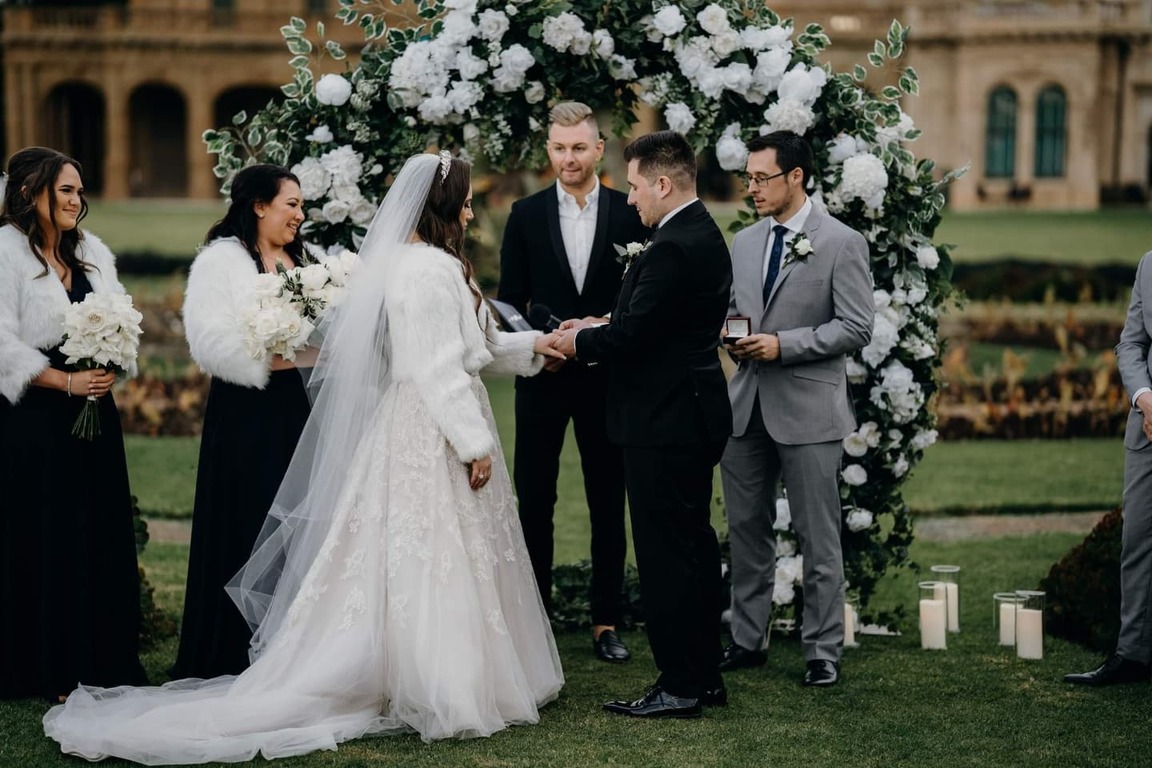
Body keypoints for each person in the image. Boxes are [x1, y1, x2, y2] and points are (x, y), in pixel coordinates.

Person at [43, 152, 566, 763]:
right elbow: (433, 367)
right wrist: (473, 442)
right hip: (428, 428)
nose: (474, 209)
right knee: (430, 551)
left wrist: (540, 345)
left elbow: (474, 344)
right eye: (468, 199)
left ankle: (435, 670)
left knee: (427, 553)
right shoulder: (424, 269)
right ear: (443, 207)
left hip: (422, 418)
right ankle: (434, 682)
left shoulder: (424, 264)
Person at [553, 131, 732, 718]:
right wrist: (598, 318)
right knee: (693, 547)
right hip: (689, 411)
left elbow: (632, 339)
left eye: (632, 186)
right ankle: (702, 675)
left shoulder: (673, 246)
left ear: (662, 182)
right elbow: (655, 319)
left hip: (664, 420)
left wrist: (575, 339)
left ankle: (680, 682)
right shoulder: (696, 231)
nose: (628, 199)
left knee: (666, 557)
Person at [718, 131, 873, 688]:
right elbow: (738, 311)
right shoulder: (745, 242)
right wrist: (731, 335)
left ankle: (822, 651)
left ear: (796, 177)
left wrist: (785, 345)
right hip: (745, 409)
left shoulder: (841, 242)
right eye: (749, 178)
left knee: (818, 534)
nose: (752, 187)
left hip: (809, 409)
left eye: (762, 178)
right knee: (745, 531)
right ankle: (746, 639)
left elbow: (857, 326)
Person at [498, 101, 649, 662]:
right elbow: (509, 300)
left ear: (599, 149)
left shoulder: (630, 212)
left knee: (608, 498)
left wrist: (596, 330)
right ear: (549, 151)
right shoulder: (525, 214)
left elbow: (638, 296)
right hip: (544, 372)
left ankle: (605, 620)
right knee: (534, 498)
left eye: (579, 147)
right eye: (560, 148)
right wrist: (550, 337)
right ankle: (534, 618)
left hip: (608, 375)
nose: (569, 158)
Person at [0, 147, 148, 700]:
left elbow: (119, 316)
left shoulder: (90, 252)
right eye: (65, 190)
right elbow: (1, 345)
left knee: (97, 529)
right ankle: (48, 665)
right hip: (35, 420)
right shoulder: (5, 253)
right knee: (48, 536)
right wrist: (64, 382)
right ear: (27, 193)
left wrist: (110, 360)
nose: (76, 200)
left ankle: (101, 656)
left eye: (78, 191)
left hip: (94, 415)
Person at [171, 164, 314, 680]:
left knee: (297, 521)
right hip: (247, 417)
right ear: (258, 205)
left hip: (298, 413)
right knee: (249, 520)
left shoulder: (304, 261)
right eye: (290, 204)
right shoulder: (222, 262)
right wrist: (290, 358)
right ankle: (232, 650)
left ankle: (291, 649)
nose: (300, 214)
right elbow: (210, 343)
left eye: (301, 205)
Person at [1064, 254, 1152, 686]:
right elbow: (1131, 344)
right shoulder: (1150, 265)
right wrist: (1143, 396)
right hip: (1148, 430)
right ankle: (1133, 654)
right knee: (1136, 543)